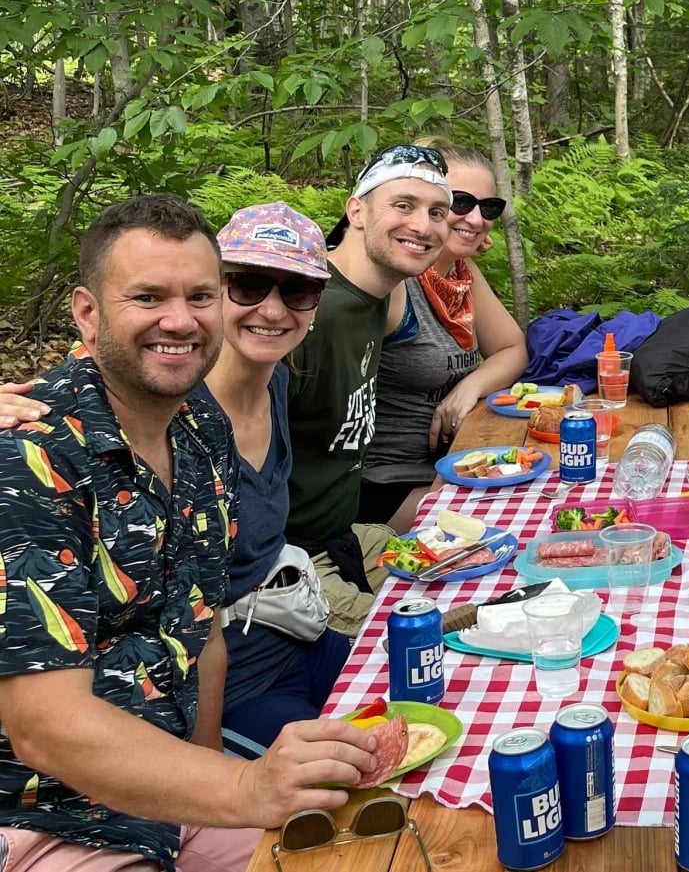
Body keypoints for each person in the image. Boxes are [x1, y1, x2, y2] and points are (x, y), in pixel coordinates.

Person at [0, 195, 378, 872]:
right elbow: (45, 727)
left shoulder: (201, 431)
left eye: (199, 296)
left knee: (378, 843)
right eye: (147, 297)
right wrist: (244, 787)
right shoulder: (30, 457)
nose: (180, 320)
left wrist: (210, 784)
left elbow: (202, 633)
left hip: (175, 789)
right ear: (87, 313)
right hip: (48, 816)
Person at [284, 144, 452, 634]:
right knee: (429, 636)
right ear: (355, 211)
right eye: (403, 205)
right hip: (289, 558)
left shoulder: (378, 294)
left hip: (347, 535)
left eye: (436, 212)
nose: (423, 226)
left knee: (485, 579)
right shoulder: (308, 309)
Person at [207, 203, 353, 753]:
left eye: (297, 291)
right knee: (350, 781)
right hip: (232, 685)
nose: (272, 309)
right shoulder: (170, 408)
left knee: (435, 695)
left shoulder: (276, 380)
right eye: (248, 284)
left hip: (299, 635)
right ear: (214, 290)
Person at [357, 137, 527, 533]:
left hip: (446, 461)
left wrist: (469, 387)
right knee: (510, 523)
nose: (476, 219)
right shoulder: (395, 281)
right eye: (460, 203)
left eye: (489, 207)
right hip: (385, 481)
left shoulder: (460, 273)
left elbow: (513, 347)